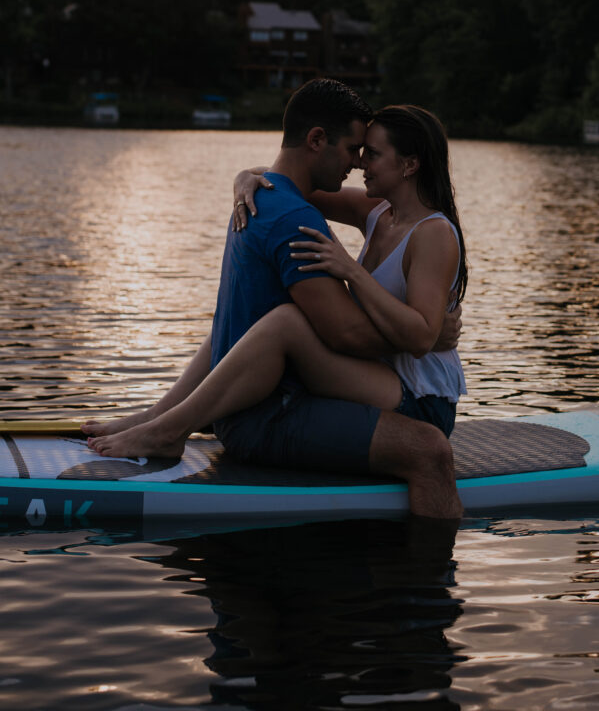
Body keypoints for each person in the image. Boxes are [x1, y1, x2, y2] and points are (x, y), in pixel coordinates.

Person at [83, 80, 466, 519]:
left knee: (284, 321)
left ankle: (170, 427)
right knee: (253, 326)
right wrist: (246, 177)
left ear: (410, 164)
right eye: (357, 150)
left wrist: (352, 272)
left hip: (417, 390)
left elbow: (415, 335)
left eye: (371, 153)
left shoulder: (432, 233)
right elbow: (289, 184)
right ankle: (160, 418)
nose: (359, 163)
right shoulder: (376, 211)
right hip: (380, 373)